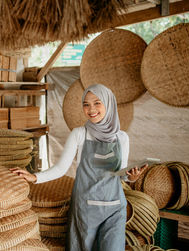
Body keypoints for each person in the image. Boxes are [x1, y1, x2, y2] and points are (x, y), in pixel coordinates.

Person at [11, 83, 147, 251]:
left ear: (109, 103)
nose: (91, 109)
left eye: (97, 103)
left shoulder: (122, 138)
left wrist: (130, 177)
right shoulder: (79, 134)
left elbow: (121, 173)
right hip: (86, 207)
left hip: (114, 206)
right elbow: (61, 168)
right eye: (86, 104)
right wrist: (35, 177)